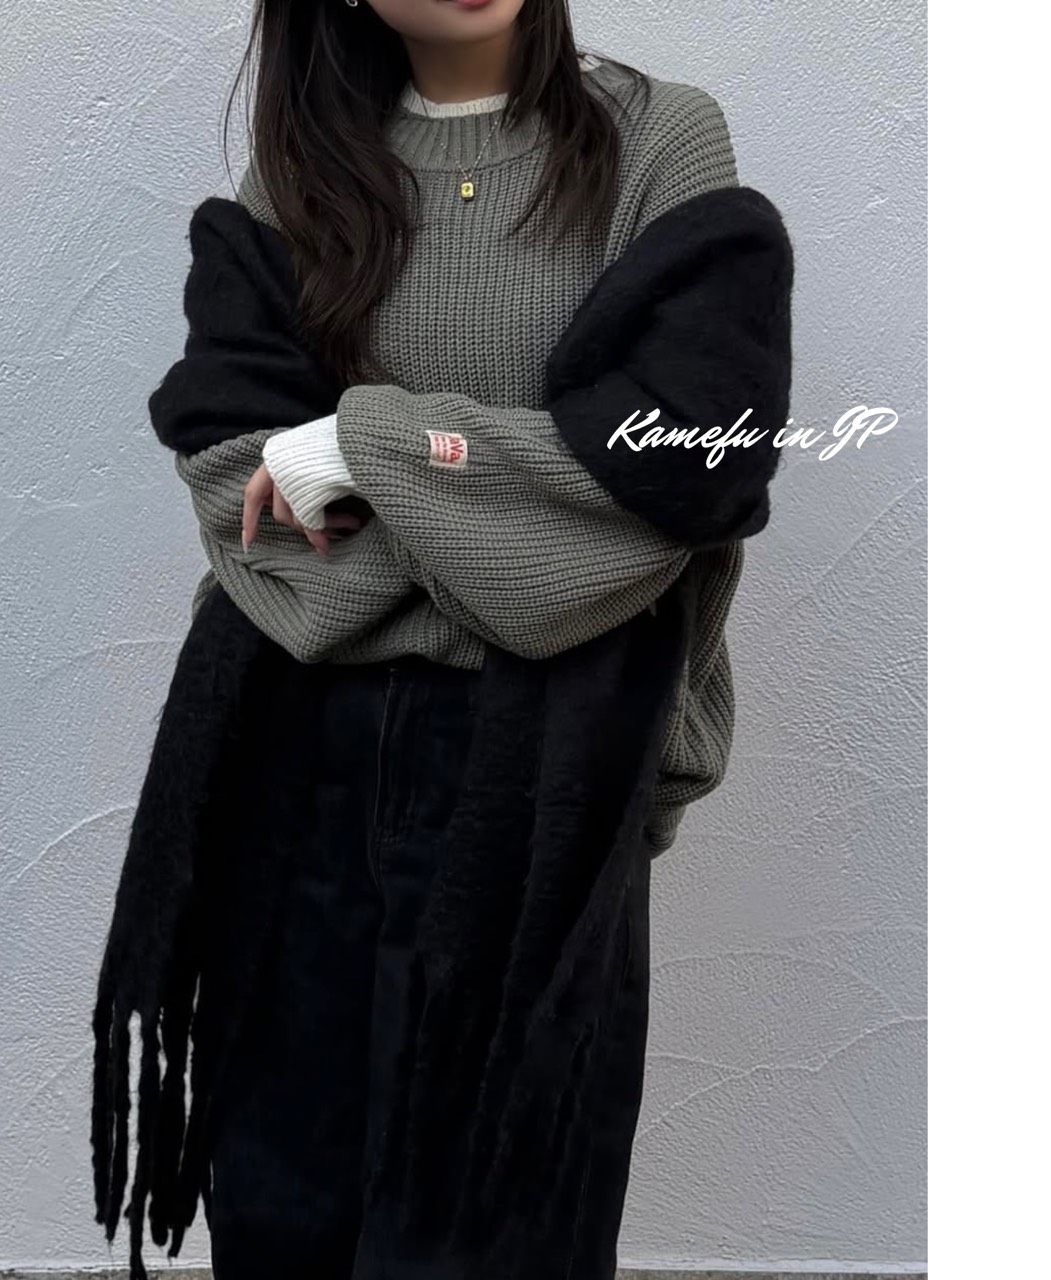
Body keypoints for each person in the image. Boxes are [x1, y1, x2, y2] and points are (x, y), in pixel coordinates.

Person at [98, 1, 792, 1277]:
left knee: (500, 1226)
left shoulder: (659, 142)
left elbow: (689, 461)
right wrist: (515, 553)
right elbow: (235, 477)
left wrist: (364, 447)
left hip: (542, 781)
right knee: (286, 1208)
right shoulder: (297, 179)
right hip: (293, 760)